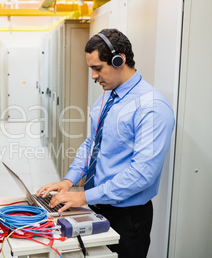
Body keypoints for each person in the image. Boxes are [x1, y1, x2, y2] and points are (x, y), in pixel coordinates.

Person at [36, 28, 175, 258]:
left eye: (97, 68)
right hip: (97, 205)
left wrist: (84, 197)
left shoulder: (152, 107)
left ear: (119, 59)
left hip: (127, 217)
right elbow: (92, 144)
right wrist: (69, 180)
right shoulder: (107, 96)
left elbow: (143, 174)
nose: (93, 76)